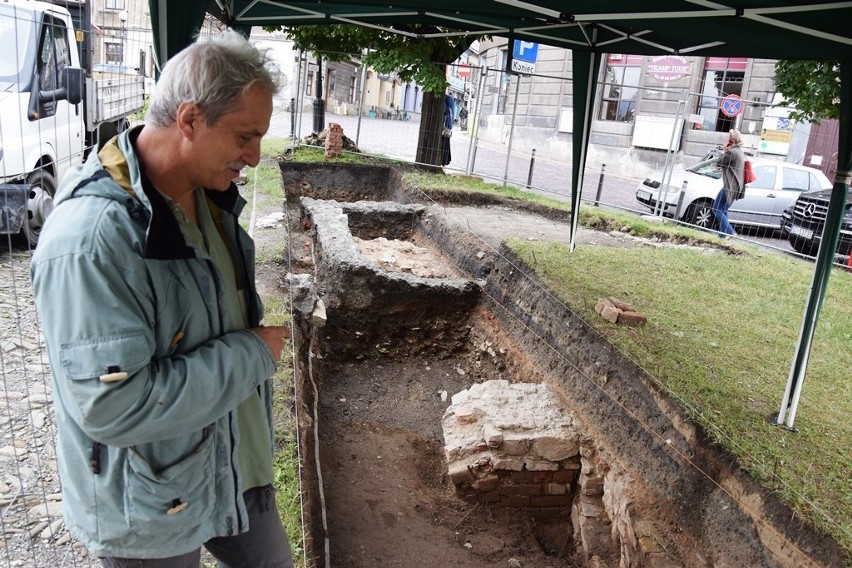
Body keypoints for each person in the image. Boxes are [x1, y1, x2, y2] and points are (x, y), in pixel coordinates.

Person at [30, 30, 294, 567]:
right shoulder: (91, 240)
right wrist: (253, 356)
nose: (256, 157)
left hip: (232, 462)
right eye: (246, 136)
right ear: (191, 120)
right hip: (149, 503)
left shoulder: (207, 196)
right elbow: (112, 405)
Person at [711, 128, 746, 237]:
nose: (726, 139)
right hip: (735, 186)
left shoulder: (732, 152)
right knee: (723, 210)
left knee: (716, 209)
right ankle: (722, 236)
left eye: (728, 137)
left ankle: (731, 232)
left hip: (730, 186)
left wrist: (724, 150)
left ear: (732, 140)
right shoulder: (739, 151)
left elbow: (719, 162)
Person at [441, 93, 455, 167]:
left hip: (445, 125)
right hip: (445, 125)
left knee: (445, 144)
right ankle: (444, 162)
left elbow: (448, 112)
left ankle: (444, 163)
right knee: (444, 144)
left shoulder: (449, 99)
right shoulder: (449, 99)